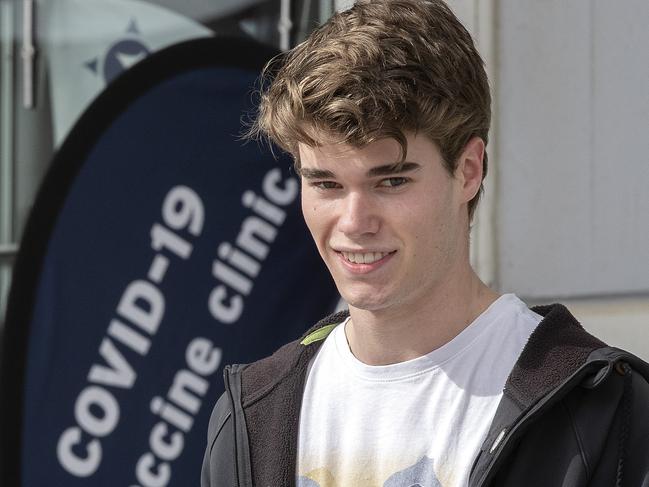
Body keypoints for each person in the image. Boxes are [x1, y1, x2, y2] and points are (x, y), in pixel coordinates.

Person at [201, 1, 649, 485]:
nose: (354, 222)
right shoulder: (252, 415)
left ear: (469, 171)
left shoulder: (599, 410)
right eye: (327, 184)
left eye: (390, 181)